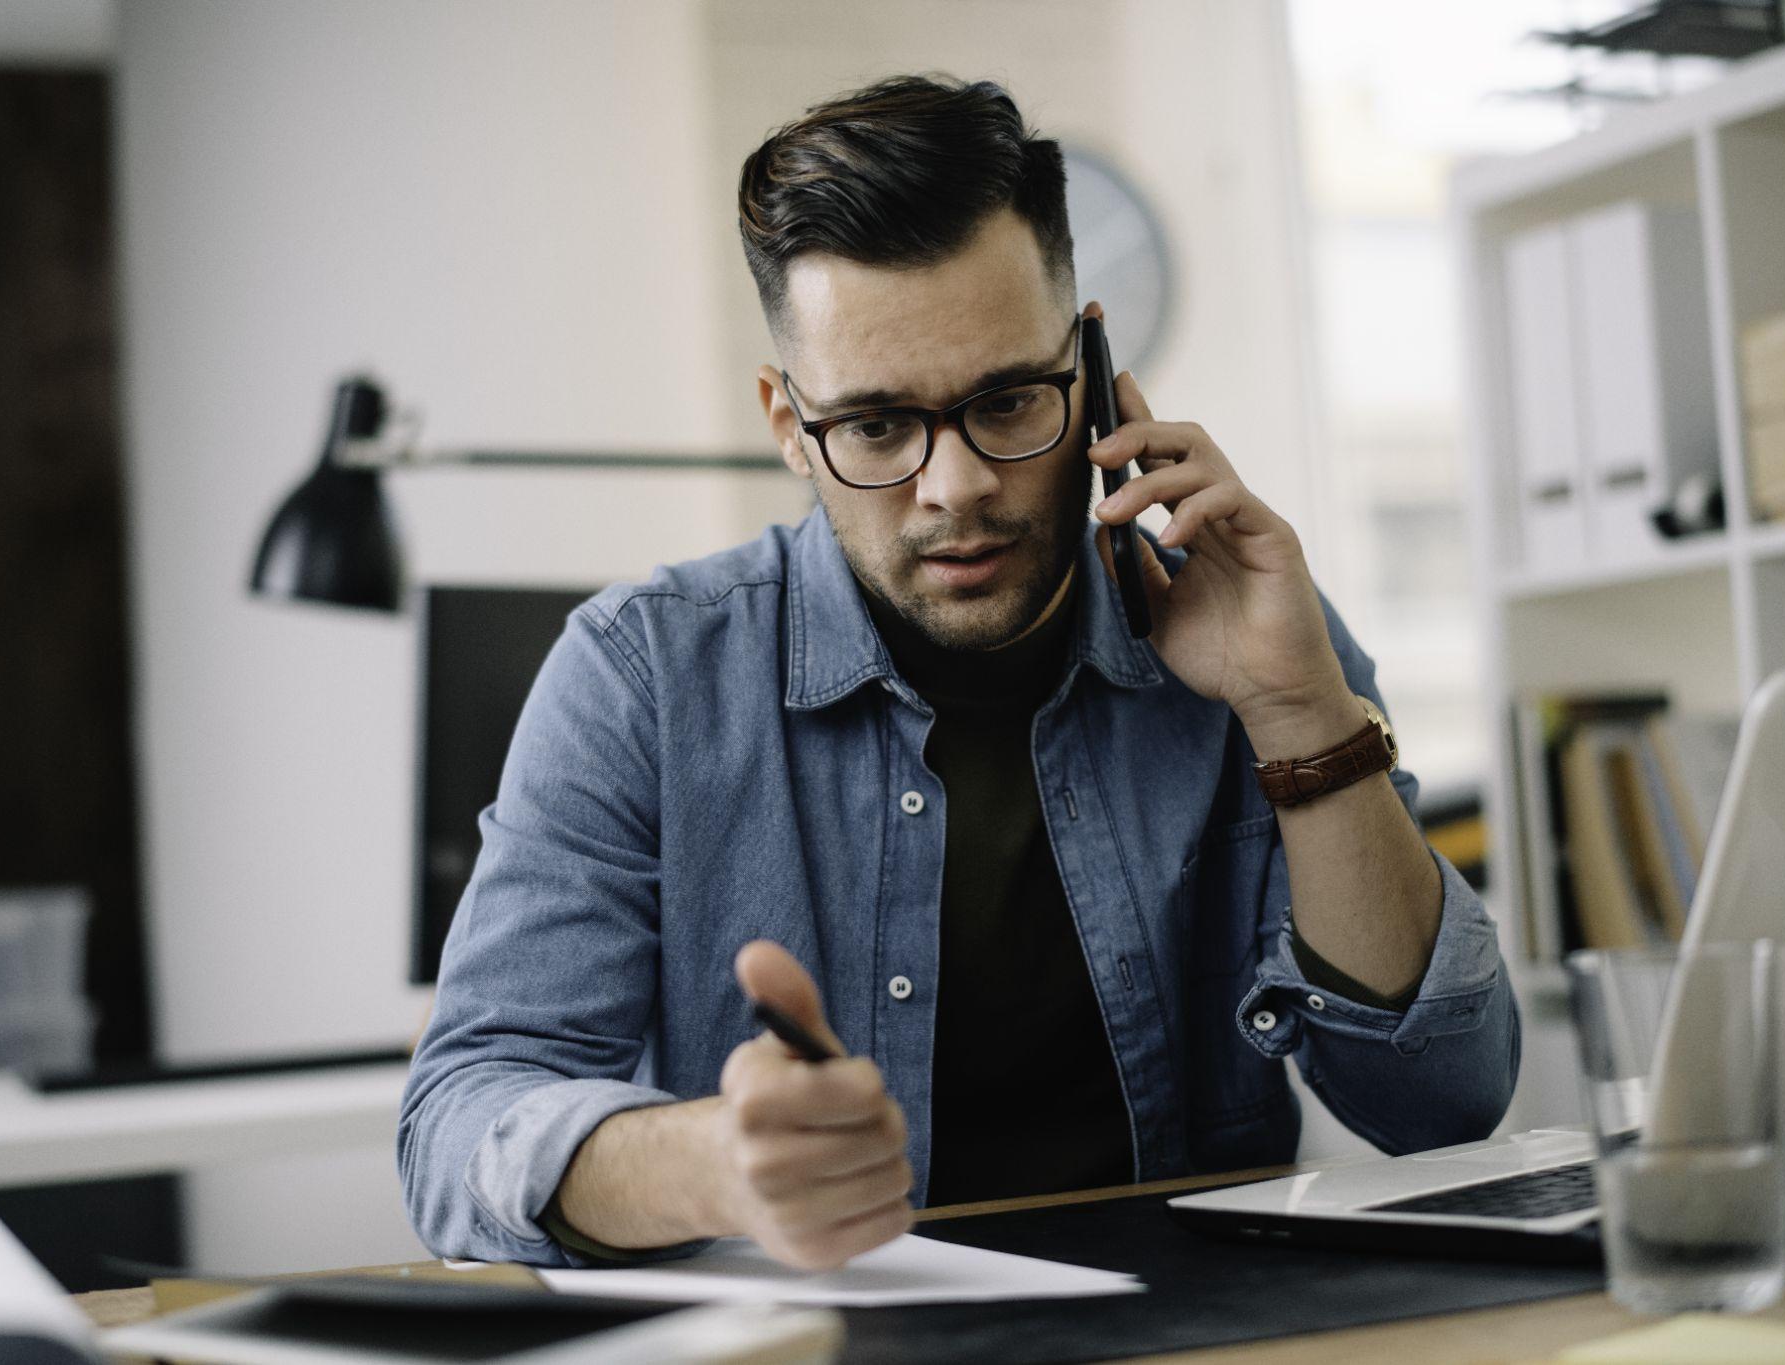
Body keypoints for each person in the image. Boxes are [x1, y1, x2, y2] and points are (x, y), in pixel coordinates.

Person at [399, 74, 1518, 1272]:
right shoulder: (642, 678)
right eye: (876, 427)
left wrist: (1300, 714)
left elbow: (1442, 1106)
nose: (956, 488)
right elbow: (459, 1125)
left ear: (1087, 371)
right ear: (788, 423)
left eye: (1004, 401)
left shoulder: (1259, 630)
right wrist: (714, 1163)